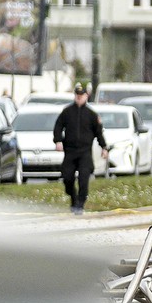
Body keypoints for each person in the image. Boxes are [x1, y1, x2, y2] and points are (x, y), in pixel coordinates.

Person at [52, 83, 107, 214]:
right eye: (77, 95)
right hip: (70, 151)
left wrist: (104, 147)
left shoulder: (91, 115)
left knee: (83, 179)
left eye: (81, 95)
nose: (79, 97)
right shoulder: (67, 112)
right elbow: (58, 126)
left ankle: (80, 205)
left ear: (86, 96)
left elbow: (98, 133)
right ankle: (73, 198)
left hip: (85, 152)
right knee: (67, 178)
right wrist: (58, 140)